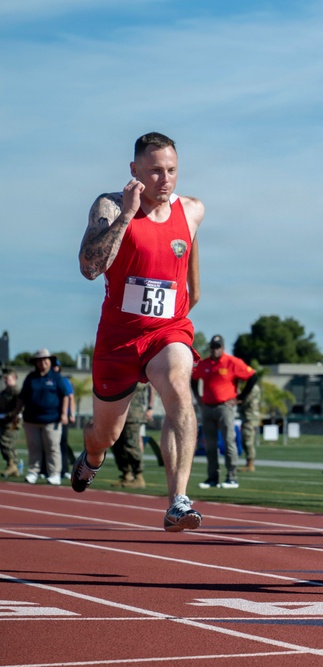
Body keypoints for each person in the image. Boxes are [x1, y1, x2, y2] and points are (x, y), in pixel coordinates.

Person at [74, 131, 205, 532]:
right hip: (118, 339)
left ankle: (177, 502)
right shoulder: (110, 206)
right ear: (134, 171)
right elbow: (89, 267)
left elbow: (190, 266)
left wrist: (185, 307)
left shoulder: (193, 209)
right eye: (154, 172)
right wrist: (129, 215)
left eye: (171, 171)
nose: (164, 180)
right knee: (105, 434)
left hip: (167, 331)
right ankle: (91, 457)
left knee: (178, 388)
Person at [191, 335, 258, 490]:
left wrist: (241, 397)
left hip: (225, 407)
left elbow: (252, 376)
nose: (215, 350)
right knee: (210, 444)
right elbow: (193, 378)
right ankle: (212, 477)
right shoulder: (204, 364)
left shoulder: (231, 362)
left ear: (223, 348)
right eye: (213, 347)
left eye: (218, 347)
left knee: (229, 442)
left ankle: (232, 477)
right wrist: (198, 397)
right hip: (207, 407)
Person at [13, 349, 70, 485]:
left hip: (52, 419)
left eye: (45, 360)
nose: (42, 362)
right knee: (34, 446)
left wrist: (64, 414)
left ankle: (54, 474)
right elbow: (22, 397)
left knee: (52, 446)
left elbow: (65, 396)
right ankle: (33, 472)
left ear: (50, 361)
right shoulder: (31, 377)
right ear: (36, 362)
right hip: (31, 419)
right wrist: (16, 413)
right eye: (39, 360)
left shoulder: (56, 377)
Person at [111, 382, 154, 489]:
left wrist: (150, 407)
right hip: (117, 413)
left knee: (131, 445)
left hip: (133, 414)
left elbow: (151, 387)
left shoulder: (141, 369)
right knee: (117, 445)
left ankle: (138, 477)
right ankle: (126, 475)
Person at [49, 358, 76, 480]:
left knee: (62, 443)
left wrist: (71, 414)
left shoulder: (63, 380)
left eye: (56, 366)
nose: (55, 368)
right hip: (50, 416)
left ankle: (65, 470)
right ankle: (48, 470)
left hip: (62, 416)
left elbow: (70, 397)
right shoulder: (47, 380)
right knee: (49, 444)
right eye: (53, 366)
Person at [238, 381, 262, 472]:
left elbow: (245, 401)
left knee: (248, 440)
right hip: (247, 416)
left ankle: (250, 464)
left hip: (250, 417)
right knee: (245, 440)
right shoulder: (250, 388)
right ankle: (248, 463)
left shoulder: (253, 388)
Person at [0, 369, 20, 477]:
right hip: (3, 421)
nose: (6, 380)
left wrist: (8, 416)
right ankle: (13, 467)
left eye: (9, 378)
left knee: (6, 442)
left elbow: (19, 407)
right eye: (5, 378)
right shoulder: (4, 392)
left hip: (12, 421)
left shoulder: (16, 392)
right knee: (7, 443)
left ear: (14, 378)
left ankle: (12, 464)